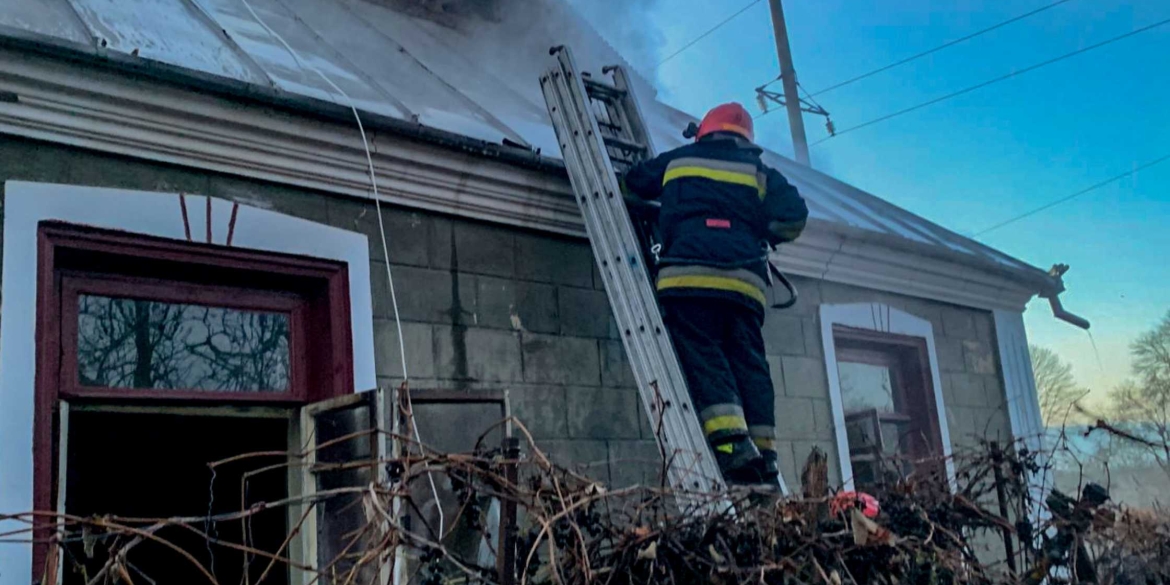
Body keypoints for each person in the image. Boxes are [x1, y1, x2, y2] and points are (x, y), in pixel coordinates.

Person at [622, 102, 809, 487]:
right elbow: (795, 217)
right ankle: (765, 453)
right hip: (743, 284)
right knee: (749, 362)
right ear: (746, 140)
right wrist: (760, 231)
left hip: (688, 277)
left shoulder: (679, 160)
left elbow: (632, 183)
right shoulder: (758, 172)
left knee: (704, 354)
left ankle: (731, 443)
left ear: (704, 132)